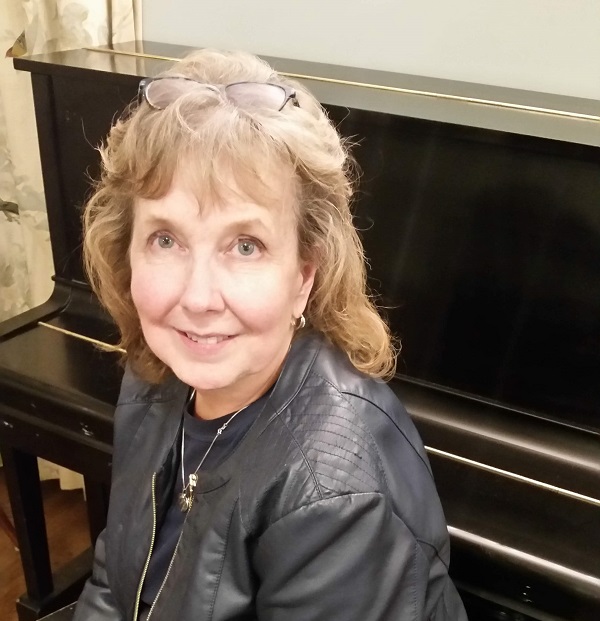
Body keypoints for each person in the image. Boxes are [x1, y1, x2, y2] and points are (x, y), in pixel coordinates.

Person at [74, 48, 467, 621]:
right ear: (125, 251)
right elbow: (116, 579)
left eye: (245, 245)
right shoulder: (154, 375)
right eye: (166, 239)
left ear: (304, 275)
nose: (198, 298)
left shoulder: (338, 494)